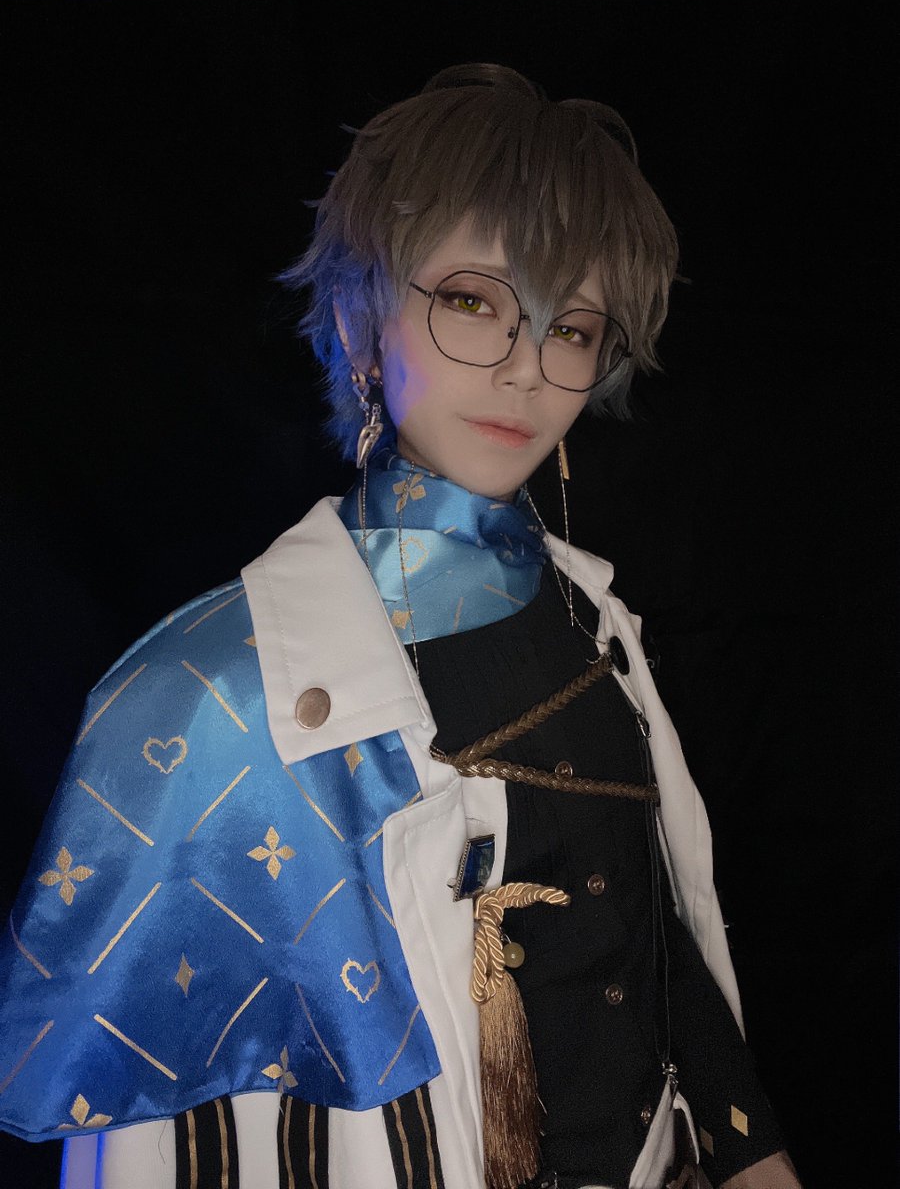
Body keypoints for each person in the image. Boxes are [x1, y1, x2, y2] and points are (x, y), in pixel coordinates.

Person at [0, 64, 802, 1189]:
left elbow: (654, 934)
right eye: (474, 302)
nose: (526, 370)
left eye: (572, 328)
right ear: (357, 315)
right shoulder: (207, 694)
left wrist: (752, 1153)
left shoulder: (596, 621)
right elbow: (166, 1135)